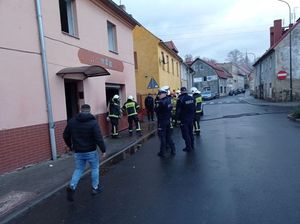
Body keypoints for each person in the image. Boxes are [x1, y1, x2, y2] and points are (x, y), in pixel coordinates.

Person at [63, 104, 106, 202]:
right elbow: (98, 138)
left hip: (78, 151)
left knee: (78, 169)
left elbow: (65, 135)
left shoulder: (72, 122)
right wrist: (103, 150)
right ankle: (95, 188)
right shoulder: (93, 122)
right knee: (95, 168)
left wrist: (70, 146)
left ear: (80, 110)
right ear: (89, 111)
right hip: (91, 151)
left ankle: (72, 186)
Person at [155, 87, 176, 157]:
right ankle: (173, 150)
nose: (159, 95)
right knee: (168, 136)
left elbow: (156, 110)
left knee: (162, 137)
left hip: (162, 122)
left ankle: (162, 152)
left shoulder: (161, 102)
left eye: (160, 94)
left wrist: (156, 105)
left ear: (164, 94)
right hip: (168, 120)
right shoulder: (169, 100)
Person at [176, 87, 195, 152]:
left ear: (181, 91)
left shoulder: (180, 99)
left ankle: (188, 147)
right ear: (186, 91)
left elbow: (178, 110)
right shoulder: (191, 97)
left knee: (185, 134)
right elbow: (194, 108)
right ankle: (192, 145)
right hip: (191, 118)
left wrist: (177, 119)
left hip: (184, 119)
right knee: (190, 133)